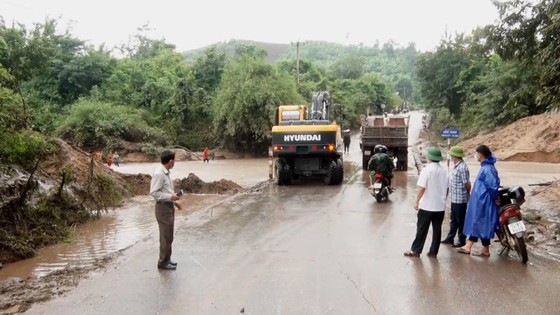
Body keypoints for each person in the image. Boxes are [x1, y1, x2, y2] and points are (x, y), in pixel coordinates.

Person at [404, 147, 449, 258]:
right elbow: (447, 188)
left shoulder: (427, 170)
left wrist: (416, 202)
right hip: (440, 207)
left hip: (427, 206)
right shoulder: (444, 171)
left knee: (422, 229)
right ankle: (433, 252)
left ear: (429, 158)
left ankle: (416, 251)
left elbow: (422, 188)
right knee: (437, 230)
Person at [458, 145, 500, 257]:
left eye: (476, 153)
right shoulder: (486, 167)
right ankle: (484, 249)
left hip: (484, 201)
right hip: (481, 200)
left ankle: (469, 246)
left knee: (479, 222)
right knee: (481, 223)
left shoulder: (487, 169)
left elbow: (492, 186)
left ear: (480, 155)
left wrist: (495, 198)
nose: (475, 156)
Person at [150, 150, 183, 270]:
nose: (174, 162)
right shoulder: (159, 174)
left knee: (169, 235)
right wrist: (170, 197)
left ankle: (167, 259)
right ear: (170, 161)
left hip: (168, 206)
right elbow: (154, 193)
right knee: (165, 236)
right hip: (162, 208)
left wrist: (174, 201)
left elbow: (166, 191)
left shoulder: (166, 173)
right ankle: (162, 262)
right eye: (174, 160)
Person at [441, 146, 471, 247]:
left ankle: (461, 240)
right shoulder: (457, 166)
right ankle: (450, 238)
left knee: (461, 221)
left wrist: (467, 194)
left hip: (460, 199)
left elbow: (467, 184)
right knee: (453, 219)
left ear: (454, 156)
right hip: (454, 198)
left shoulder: (462, 167)